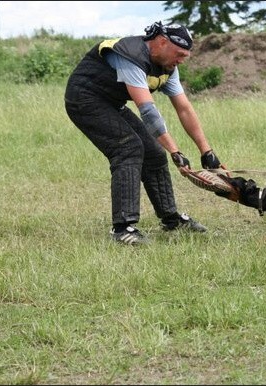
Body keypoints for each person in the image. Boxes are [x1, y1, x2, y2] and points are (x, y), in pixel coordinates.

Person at [64, 21, 225, 245]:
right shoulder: (131, 56)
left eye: (185, 56)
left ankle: (171, 219)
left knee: (154, 154)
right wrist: (176, 151)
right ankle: (122, 228)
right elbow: (148, 111)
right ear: (161, 42)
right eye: (179, 54)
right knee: (128, 149)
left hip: (112, 102)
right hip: (84, 99)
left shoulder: (168, 68)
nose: (181, 60)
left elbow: (185, 109)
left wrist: (206, 151)